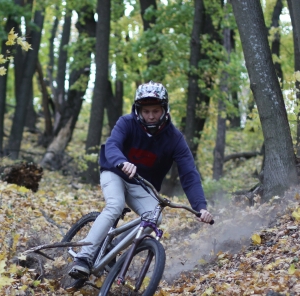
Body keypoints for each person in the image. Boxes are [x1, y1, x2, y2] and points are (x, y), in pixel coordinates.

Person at [69, 81, 213, 279]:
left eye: (156, 110)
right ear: (138, 110)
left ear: (165, 110)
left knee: (154, 217)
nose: (151, 115)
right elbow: (112, 145)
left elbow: (189, 173)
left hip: (141, 184)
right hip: (115, 172)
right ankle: (83, 258)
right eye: (146, 111)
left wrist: (200, 206)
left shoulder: (174, 138)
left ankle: (111, 247)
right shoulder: (126, 123)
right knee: (115, 205)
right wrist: (121, 162)